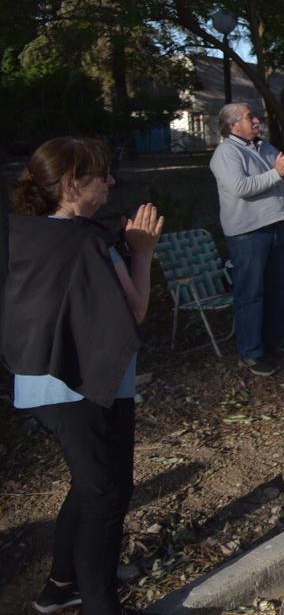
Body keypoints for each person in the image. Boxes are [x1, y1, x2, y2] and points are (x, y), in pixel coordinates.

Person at [3, 137, 164, 615]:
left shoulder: (29, 232)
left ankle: (60, 586)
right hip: (85, 383)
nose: (111, 182)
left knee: (93, 483)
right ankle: (99, 602)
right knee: (104, 494)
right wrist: (142, 251)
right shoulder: (88, 241)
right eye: (103, 175)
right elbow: (134, 310)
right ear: (73, 184)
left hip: (41, 380)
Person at [209, 102, 284, 375]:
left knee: (280, 289)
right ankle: (251, 352)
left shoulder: (264, 146)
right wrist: (278, 171)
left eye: (254, 115)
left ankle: (274, 344)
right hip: (247, 233)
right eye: (249, 116)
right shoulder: (225, 153)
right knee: (251, 294)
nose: (256, 119)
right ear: (232, 125)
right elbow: (241, 188)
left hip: (274, 227)